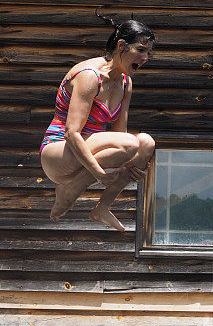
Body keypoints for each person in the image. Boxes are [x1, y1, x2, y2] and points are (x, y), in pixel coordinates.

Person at [39, 14, 156, 231]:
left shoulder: (125, 82)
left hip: (89, 153)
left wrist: (134, 167)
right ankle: (68, 192)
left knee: (145, 144)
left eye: (149, 52)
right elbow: (71, 134)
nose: (146, 57)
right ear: (121, 46)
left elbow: (121, 136)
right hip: (58, 152)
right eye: (141, 50)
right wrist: (99, 173)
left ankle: (102, 208)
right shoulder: (89, 76)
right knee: (130, 144)